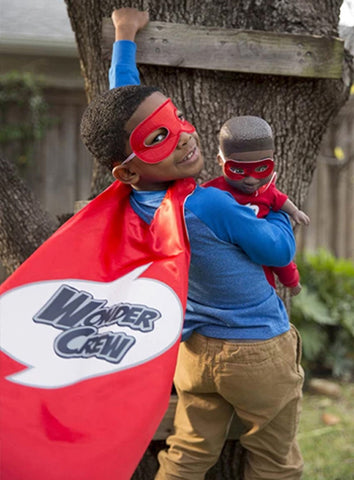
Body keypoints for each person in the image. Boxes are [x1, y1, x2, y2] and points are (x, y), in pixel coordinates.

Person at [83, 8, 304, 479]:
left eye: (177, 118)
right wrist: (277, 210)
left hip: (195, 353)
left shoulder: (129, 200)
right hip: (256, 350)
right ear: (128, 167)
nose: (184, 135)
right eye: (161, 136)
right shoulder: (210, 207)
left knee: (186, 455)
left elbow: (125, 104)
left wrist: (125, 37)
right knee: (274, 460)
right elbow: (278, 253)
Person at [204, 115, 310, 296]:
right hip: (225, 265)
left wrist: (295, 212)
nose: (251, 180)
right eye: (238, 170)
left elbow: (280, 200)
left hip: (261, 270)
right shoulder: (211, 192)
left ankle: (292, 283)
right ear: (221, 161)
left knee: (280, 264)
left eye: (261, 169)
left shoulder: (266, 191)